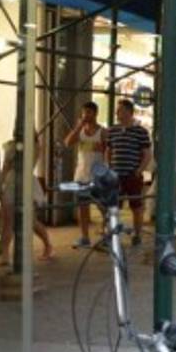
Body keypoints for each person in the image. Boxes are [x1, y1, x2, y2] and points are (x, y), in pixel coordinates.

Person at [0, 132, 55, 265]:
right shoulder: (11, 146)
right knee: (7, 221)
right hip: (12, 182)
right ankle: (5, 255)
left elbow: (28, 161)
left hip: (26, 182)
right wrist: (1, 186)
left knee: (30, 221)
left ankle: (48, 245)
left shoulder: (33, 146)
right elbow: (5, 167)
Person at [105, 99, 151, 247]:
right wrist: (109, 167)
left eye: (120, 110)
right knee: (113, 206)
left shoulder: (141, 132)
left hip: (132, 175)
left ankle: (137, 235)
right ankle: (112, 234)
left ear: (129, 112)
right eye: (117, 110)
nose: (118, 113)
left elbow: (147, 154)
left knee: (136, 206)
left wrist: (139, 171)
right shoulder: (112, 130)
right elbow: (108, 150)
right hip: (115, 175)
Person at [62, 101, 105, 247]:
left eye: (89, 112)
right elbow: (67, 142)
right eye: (84, 112)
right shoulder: (80, 131)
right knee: (83, 206)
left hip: (97, 176)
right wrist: (78, 127)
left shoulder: (102, 131)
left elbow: (107, 149)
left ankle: (107, 233)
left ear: (95, 113)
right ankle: (84, 237)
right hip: (81, 175)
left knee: (102, 205)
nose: (86, 115)